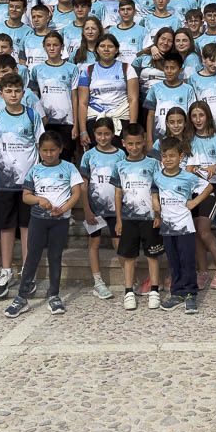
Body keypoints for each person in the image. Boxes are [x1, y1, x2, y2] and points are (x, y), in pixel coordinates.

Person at [6, 131, 84, 318]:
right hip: (38, 220)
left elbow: (76, 193)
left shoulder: (69, 168)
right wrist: (39, 199)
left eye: (53, 150)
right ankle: (21, 297)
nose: (49, 154)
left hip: (60, 221)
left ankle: (54, 295)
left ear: (60, 149)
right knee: (32, 256)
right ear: (39, 150)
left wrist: (64, 208)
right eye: (44, 150)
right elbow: (26, 196)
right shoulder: (35, 170)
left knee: (55, 257)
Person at [0, 72, 45, 299]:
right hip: (4, 182)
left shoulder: (32, 115)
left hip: (28, 183)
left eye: (17, 91)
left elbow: (42, 148)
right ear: (1, 94)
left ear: (23, 92)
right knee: (6, 227)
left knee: (27, 228)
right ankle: (5, 270)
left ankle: (27, 271)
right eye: (9, 91)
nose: (13, 95)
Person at [151, 135, 212, 314]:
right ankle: (176, 294)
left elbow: (208, 188)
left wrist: (194, 202)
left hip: (185, 227)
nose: (168, 159)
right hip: (168, 228)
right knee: (173, 261)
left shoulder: (187, 177)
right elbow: (154, 189)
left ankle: (190, 295)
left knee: (187, 261)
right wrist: (155, 202)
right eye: (164, 156)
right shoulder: (158, 176)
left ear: (180, 156)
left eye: (172, 155)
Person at [112, 123, 165, 310]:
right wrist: (118, 219)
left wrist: (158, 213)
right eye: (130, 144)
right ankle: (128, 291)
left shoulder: (153, 164)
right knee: (129, 256)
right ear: (124, 143)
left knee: (152, 255)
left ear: (144, 142)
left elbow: (157, 191)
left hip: (150, 217)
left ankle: (154, 290)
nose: (134, 148)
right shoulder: (119, 166)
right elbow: (118, 194)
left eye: (137, 143)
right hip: (128, 218)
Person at [186, 101, 216, 290]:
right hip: (191, 188)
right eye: (194, 116)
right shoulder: (188, 138)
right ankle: (203, 271)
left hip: (210, 187)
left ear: (208, 116)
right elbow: (185, 165)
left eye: (201, 115)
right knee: (195, 231)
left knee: (204, 229)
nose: (198, 120)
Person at [80, 118, 125, 299]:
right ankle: (98, 281)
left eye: (107, 133)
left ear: (113, 134)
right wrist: (86, 210)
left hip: (116, 208)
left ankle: (128, 277)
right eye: (99, 134)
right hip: (95, 207)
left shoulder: (121, 154)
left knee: (119, 242)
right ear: (94, 135)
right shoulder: (88, 155)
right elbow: (83, 185)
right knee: (95, 242)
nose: (103, 137)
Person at [74, 33, 139, 146]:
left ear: (116, 49)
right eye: (102, 46)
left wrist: (131, 128)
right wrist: (83, 131)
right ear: (97, 50)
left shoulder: (127, 68)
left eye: (110, 46)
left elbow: (133, 99)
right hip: (95, 120)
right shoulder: (87, 70)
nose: (106, 49)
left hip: (121, 118)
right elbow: (83, 103)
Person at [29, 31, 77, 158]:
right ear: (44, 47)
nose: (51, 48)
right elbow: (33, 98)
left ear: (62, 47)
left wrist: (76, 125)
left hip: (67, 122)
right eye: (48, 45)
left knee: (66, 157)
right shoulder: (37, 70)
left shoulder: (72, 68)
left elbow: (75, 97)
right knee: (46, 158)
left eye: (55, 45)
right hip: (45, 122)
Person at [143, 50, 195, 144]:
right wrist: (149, 139)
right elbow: (150, 115)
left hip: (182, 138)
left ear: (180, 70)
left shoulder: (188, 89)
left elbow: (190, 114)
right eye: (166, 68)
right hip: (159, 138)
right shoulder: (155, 88)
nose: (169, 71)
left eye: (173, 68)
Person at [109, 0, 147, 65]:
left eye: (129, 9)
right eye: (122, 9)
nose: (125, 12)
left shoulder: (143, 30)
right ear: (119, 12)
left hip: (135, 69)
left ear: (134, 12)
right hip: (116, 69)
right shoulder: (111, 31)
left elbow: (147, 51)